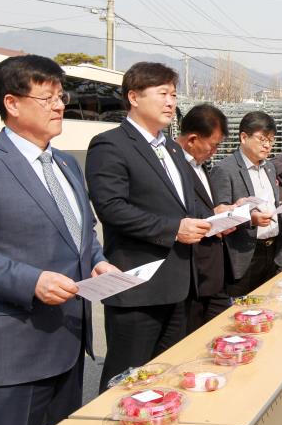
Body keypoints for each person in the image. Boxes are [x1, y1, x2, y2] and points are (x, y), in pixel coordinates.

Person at [0, 55, 119, 425]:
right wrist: (32, 281)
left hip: (69, 343)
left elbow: (82, 231)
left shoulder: (68, 165)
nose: (60, 105)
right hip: (15, 354)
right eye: (48, 97)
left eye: (61, 95)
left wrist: (98, 262)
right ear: (12, 103)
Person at [86, 62, 211, 392]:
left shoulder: (171, 148)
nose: (171, 102)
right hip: (137, 287)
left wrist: (218, 216)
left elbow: (186, 205)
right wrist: (174, 229)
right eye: (163, 93)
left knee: (166, 376)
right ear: (134, 97)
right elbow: (112, 209)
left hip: (178, 284)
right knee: (125, 380)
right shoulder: (110, 144)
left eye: (173, 94)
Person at [210, 111, 282, 296]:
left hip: (273, 252)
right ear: (244, 137)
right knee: (243, 312)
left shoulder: (269, 167)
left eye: (271, 140)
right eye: (262, 139)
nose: (268, 145)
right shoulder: (224, 169)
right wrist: (250, 219)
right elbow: (219, 217)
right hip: (244, 256)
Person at [174, 103, 236, 331]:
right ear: (192, 140)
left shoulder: (200, 165)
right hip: (193, 273)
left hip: (212, 273)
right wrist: (213, 217)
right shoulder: (172, 166)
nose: (215, 151)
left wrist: (222, 212)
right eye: (213, 145)